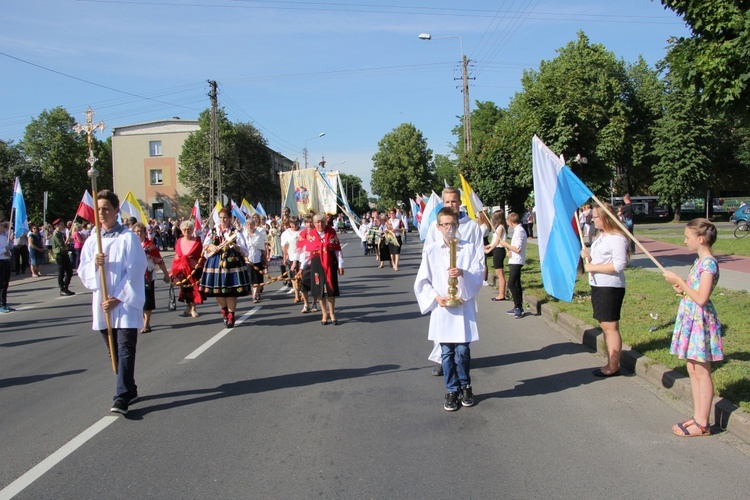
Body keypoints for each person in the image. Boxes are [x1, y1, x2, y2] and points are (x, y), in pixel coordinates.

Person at [78, 190, 148, 415]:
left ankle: (121, 397)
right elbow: (83, 271)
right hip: (103, 304)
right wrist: (95, 265)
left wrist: (117, 298)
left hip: (124, 304)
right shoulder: (92, 240)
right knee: (114, 354)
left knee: (125, 349)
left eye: (106, 208)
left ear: (116, 211)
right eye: (98, 209)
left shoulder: (128, 238)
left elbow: (136, 271)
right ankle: (130, 388)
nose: (102, 213)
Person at [414, 207, 484, 411]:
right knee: (446, 352)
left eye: (452, 224)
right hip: (443, 308)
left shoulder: (468, 248)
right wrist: (436, 297)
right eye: (445, 224)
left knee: (462, 351)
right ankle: (451, 389)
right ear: (438, 227)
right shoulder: (431, 250)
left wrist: (463, 273)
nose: (449, 228)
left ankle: (466, 385)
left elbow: (478, 274)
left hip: (463, 307)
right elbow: (422, 281)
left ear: (457, 225)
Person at [663, 219, 722, 437]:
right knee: (693, 368)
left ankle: (703, 423)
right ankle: (698, 416)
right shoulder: (699, 262)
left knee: (702, 370)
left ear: (700, 239)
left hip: (700, 320)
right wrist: (681, 289)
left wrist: (680, 279)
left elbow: (702, 298)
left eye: (687, 237)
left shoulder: (708, 264)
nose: (684, 240)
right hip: (690, 318)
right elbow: (693, 292)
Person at [425, 186, 485, 376]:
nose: (451, 204)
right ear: (443, 203)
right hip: (443, 284)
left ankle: (461, 360)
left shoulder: (472, 226)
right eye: (447, 202)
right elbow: (430, 252)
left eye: (454, 201)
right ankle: (442, 360)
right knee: (442, 328)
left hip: (464, 283)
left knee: (462, 328)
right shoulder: (438, 224)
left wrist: (471, 277)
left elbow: (478, 255)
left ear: (460, 203)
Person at [580, 203, 628, 377]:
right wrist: (588, 256)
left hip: (610, 286)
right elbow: (599, 260)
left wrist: (593, 267)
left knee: (610, 327)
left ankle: (613, 366)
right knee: (605, 325)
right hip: (599, 284)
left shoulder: (616, 237)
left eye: (595, 217)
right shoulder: (602, 236)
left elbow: (620, 264)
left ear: (605, 217)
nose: (592, 219)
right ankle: (610, 361)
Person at [200, 207, 251, 328]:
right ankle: (224, 311)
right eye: (221, 218)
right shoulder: (213, 231)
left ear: (229, 219)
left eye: (225, 218)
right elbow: (205, 246)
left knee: (231, 291)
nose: (223, 220)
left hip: (232, 263)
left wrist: (234, 246)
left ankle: (231, 315)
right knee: (218, 290)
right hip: (216, 263)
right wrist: (211, 248)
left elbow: (245, 250)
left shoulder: (235, 232)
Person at [298, 213, 344, 325]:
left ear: (325, 222)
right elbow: (306, 253)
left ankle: (332, 313)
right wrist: (301, 268)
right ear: (314, 224)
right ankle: (324, 314)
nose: (320, 224)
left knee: (330, 289)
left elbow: (338, 250)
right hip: (316, 264)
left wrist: (341, 265)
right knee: (319, 290)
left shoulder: (331, 232)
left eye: (322, 222)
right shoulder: (311, 235)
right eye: (317, 222)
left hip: (330, 263)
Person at [133, 223, 170, 333]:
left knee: (147, 299)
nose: (138, 233)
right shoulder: (131, 245)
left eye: (140, 231)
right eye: (136, 231)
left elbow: (159, 260)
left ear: (145, 233)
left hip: (147, 275)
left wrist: (166, 274)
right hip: (134, 276)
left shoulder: (150, 246)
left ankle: (147, 323)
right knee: (138, 299)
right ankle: (144, 320)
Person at [170, 220, 204, 318]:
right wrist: (173, 269)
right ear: (181, 230)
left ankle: (193, 309)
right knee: (185, 289)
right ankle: (189, 306)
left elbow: (200, 255)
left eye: (189, 229)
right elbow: (177, 255)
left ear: (192, 230)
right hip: (182, 268)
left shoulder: (197, 241)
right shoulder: (179, 241)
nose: (186, 231)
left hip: (194, 268)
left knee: (194, 289)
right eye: (184, 229)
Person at [499, 213, 527, 319]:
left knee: (511, 283)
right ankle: (517, 305)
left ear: (510, 221)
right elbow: (515, 248)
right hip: (514, 259)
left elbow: (518, 248)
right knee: (516, 283)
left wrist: (505, 244)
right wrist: (509, 252)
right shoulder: (517, 230)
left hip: (517, 261)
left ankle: (518, 307)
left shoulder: (519, 231)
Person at [484, 210, 508, 301]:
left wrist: (489, 250)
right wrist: (487, 246)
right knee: (498, 272)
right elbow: (494, 242)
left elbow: (497, 242)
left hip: (499, 250)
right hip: (496, 250)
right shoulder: (497, 228)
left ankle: (501, 294)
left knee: (500, 273)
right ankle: (501, 293)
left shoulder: (501, 227)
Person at [243, 218, 268, 303]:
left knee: (258, 277)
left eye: (251, 224)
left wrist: (265, 260)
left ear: (254, 225)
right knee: (252, 278)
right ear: (246, 226)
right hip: (248, 260)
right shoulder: (244, 234)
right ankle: (255, 294)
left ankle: (256, 294)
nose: (250, 226)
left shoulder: (259, 235)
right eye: (248, 225)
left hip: (257, 259)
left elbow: (262, 249)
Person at [281, 216, 302, 303]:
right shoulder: (286, 233)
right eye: (292, 224)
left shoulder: (303, 231)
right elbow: (284, 246)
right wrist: (285, 257)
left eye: (296, 224)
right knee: (293, 277)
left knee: (302, 276)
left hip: (302, 257)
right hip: (291, 256)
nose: (294, 225)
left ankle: (303, 292)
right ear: (290, 224)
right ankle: (296, 295)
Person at [52, 219, 75, 296]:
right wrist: (68, 240)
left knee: (69, 272)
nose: (62, 225)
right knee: (61, 273)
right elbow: (62, 245)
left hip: (65, 254)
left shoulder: (61, 234)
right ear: (56, 226)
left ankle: (66, 287)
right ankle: (62, 289)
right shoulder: (55, 235)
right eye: (61, 224)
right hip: (60, 255)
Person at [0, 221, 13, 313]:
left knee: (5, 284)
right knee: (0, 284)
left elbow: (10, 247)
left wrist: (9, 252)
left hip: (6, 261)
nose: (3, 227)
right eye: (1, 225)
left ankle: (4, 304)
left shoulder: (4, 236)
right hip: (0, 261)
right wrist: (5, 250)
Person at [477, 211, 492, 286]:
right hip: (483, 242)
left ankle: (484, 279)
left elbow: (480, 236)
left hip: (483, 243)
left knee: (484, 262)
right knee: (482, 261)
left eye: (479, 217)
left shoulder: (483, 226)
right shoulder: (484, 225)